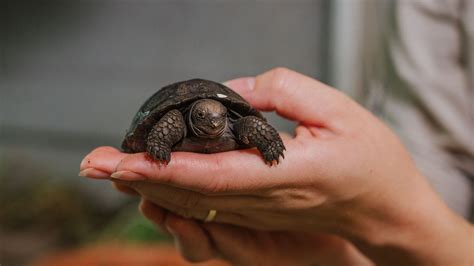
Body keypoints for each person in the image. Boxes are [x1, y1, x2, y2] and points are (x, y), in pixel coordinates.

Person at [80, 68, 473, 265]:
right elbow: (436, 155)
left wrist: (390, 218)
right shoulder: (176, 119)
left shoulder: (238, 122)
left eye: (220, 117)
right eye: (206, 118)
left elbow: (251, 124)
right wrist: (157, 145)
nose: (216, 123)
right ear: (193, 117)